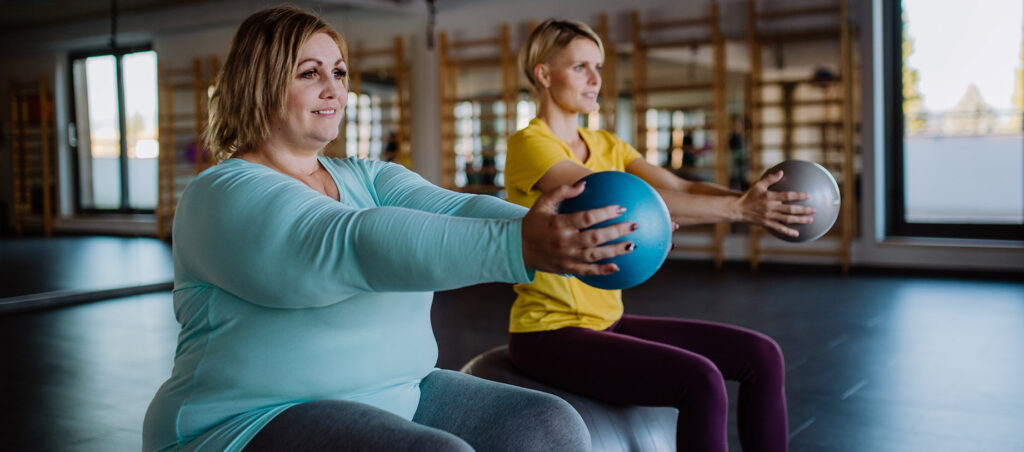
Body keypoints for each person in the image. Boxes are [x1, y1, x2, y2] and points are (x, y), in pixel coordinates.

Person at [143, 8, 638, 452]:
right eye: (309, 73)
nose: (335, 88)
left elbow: (459, 210)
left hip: (399, 391)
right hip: (247, 421)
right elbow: (353, 244)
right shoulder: (221, 194)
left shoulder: (368, 176)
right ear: (260, 84)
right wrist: (520, 244)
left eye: (339, 72)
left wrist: (565, 229)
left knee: (548, 424)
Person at [505, 19, 817, 452]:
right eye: (580, 67)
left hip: (606, 321)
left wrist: (757, 204)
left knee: (761, 356)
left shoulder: (607, 144)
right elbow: (618, 203)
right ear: (543, 74)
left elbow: (681, 190)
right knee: (702, 382)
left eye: (599, 66)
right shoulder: (530, 145)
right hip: (548, 332)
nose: (596, 79)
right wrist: (742, 208)